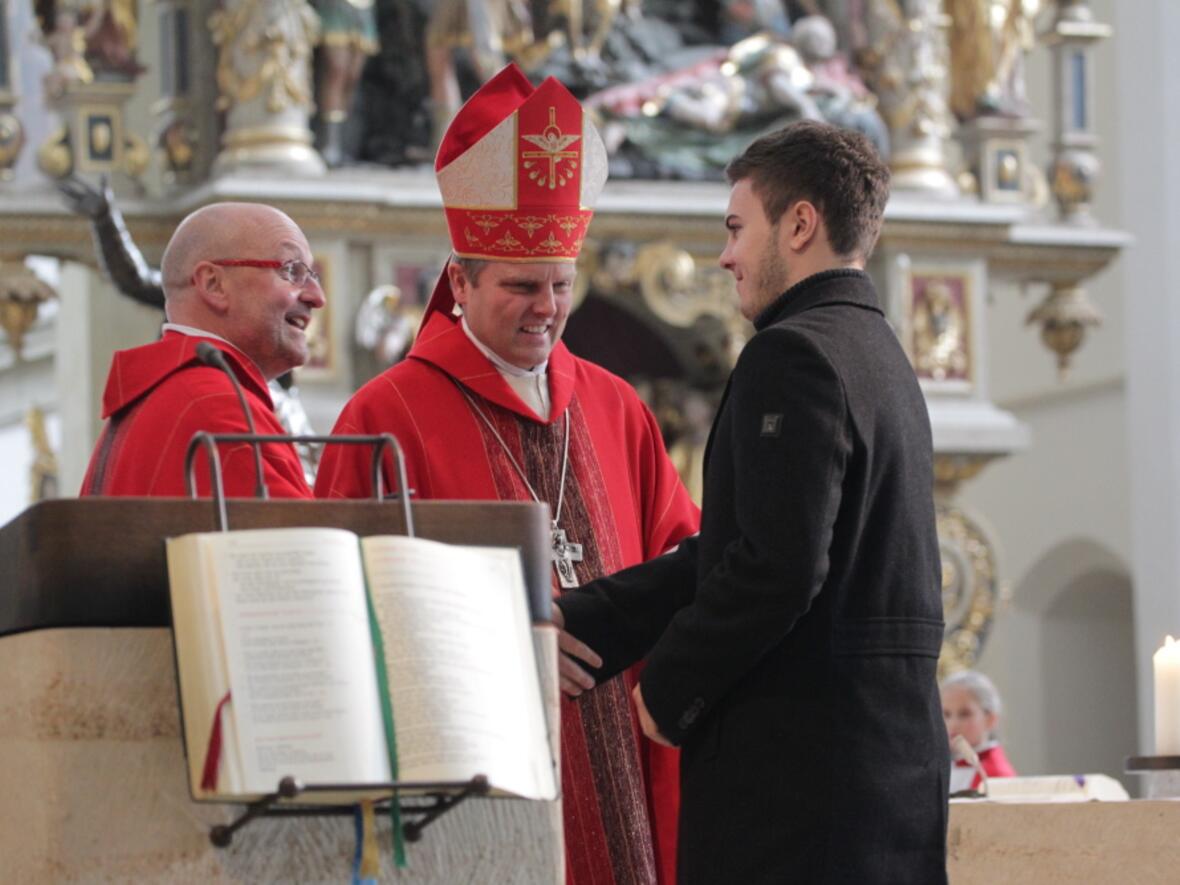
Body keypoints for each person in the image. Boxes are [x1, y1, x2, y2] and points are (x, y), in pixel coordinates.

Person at [315, 64, 699, 885]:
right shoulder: (386, 416)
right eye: (521, 285)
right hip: (466, 788)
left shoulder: (614, 404)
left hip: (620, 767)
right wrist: (501, 642)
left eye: (561, 284)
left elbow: (686, 561)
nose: (547, 308)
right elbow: (337, 607)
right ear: (459, 282)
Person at [556, 120, 948, 884]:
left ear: (800, 224)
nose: (726, 254)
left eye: (738, 228)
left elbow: (775, 566)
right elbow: (735, 548)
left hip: (798, 798)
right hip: (887, 782)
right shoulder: (881, 355)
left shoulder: (792, 352)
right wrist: (586, 619)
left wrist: (666, 692)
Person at [81, 202, 324, 498]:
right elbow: (305, 541)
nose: (316, 296)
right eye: (291, 271)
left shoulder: (165, 397)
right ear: (213, 284)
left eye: (313, 276)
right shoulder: (217, 405)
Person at [942, 669, 1017, 793]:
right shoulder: (944, 765)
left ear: (990, 719)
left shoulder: (997, 775)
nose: (953, 724)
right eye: (946, 714)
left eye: (965, 714)